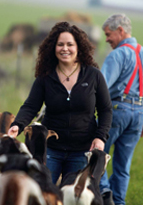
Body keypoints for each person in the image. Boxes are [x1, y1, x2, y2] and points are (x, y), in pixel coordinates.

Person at [7, 21, 113, 185]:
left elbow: (106, 110)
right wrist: (18, 125)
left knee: (71, 199)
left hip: (83, 150)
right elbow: (30, 106)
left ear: (78, 47)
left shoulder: (93, 75)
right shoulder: (45, 76)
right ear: (52, 48)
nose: (65, 49)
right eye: (60, 44)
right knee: (42, 192)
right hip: (50, 150)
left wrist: (100, 138)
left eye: (70, 44)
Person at [99, 14, 143, 205]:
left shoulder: (117, 55)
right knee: (124, 162)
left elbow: (102, 85)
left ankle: (104, 193)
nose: (107, 39)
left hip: (117, 109)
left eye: (108, 34)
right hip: (139, 113)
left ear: (121, 31)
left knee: (97, 150)